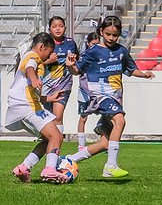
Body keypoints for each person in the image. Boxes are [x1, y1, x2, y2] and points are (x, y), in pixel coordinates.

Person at [65, 16, 155, 178]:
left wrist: (144, 74)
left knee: (105, 143)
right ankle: (110, 166)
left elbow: (130, 70)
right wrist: (70, 66)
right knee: (120, 120)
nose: (111, 38)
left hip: (115, 97)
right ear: (101, 32)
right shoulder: (93, 51)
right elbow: (77, 71)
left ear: (119, 34)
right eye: (108, 34)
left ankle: (69, 160)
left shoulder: (121, 51)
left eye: (114, 35)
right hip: (99, 95)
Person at [6, 32, 69, 184]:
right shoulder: (32, 56)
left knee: (48, 140)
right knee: (57, 136)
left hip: (22, 105)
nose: (49, 56)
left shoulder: (37, 62)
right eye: (49, 52)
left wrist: (50, 98)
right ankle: (50, 169)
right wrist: (34, 78)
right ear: (42, 47)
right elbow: (30, 68)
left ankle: (24, 167)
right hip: (27, 106)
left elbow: (29, 90)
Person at [41, 16, 79, 139]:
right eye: (54, 26)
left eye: (61, 26)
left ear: (65, 28)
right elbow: (35, 63)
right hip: (46, 84)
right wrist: (48, 61)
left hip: (64, 83)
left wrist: (72, 63)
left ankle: (57, 144)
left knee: (58, 115)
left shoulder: (70, 43)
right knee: (47, 116)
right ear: (49, 29)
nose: (58, 29)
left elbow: (76, 61)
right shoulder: (44, 44)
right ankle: (48, 140)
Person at [75, 31, 100, 151]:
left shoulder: (101, 56)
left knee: (107, 115)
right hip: (84, 91)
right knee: (83, 117)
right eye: (93, 44)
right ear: (88, 43)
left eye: (97, 44)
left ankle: (104, 140)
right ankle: (81, 145)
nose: (95, 46)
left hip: (98, 90)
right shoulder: (84, 57)